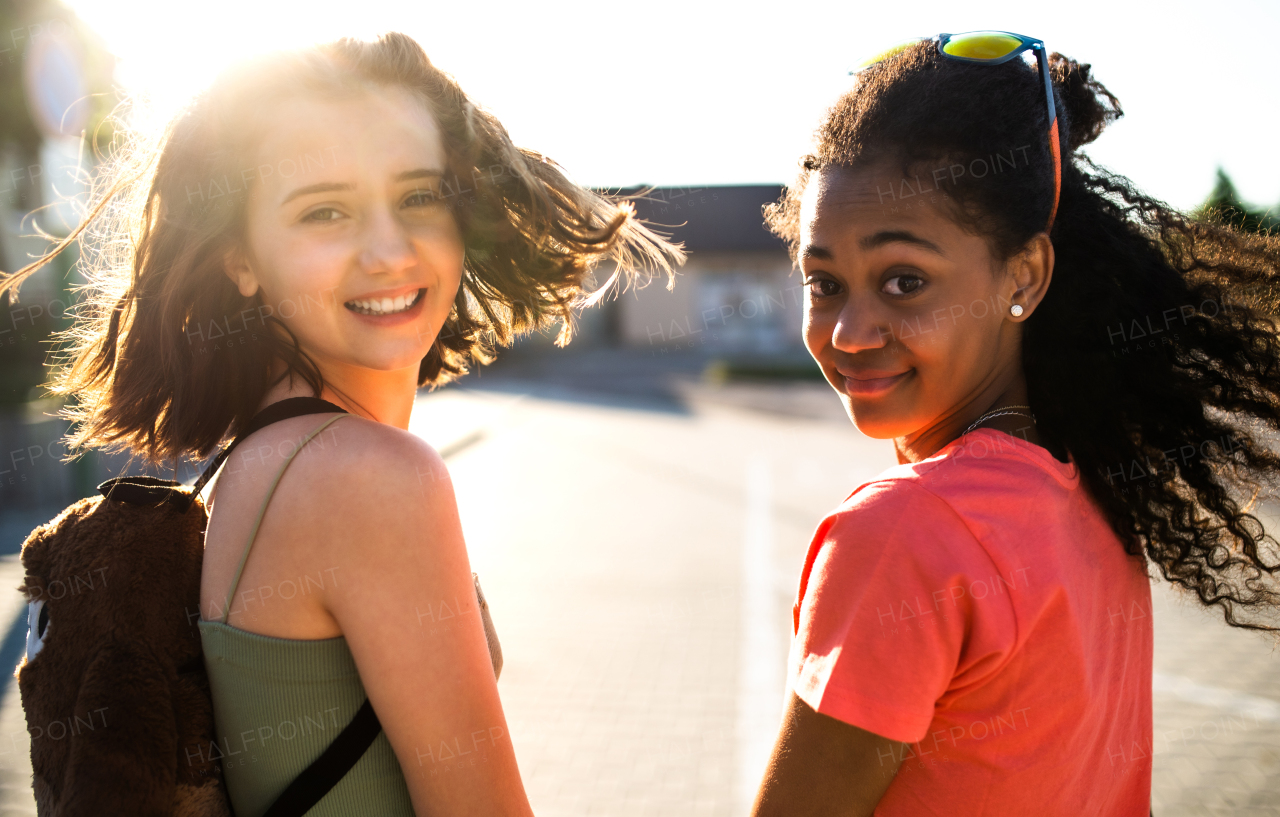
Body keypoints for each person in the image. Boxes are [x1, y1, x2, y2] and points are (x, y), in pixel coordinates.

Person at [0, 32, 680, 816]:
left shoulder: (256, 459)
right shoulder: (367, 476)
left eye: (420, 195)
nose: (389, 250)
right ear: (242, 259)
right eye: (325, 210)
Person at [750, 31, 1280, 817]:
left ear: (1024, 275)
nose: (850, 332)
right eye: (823, 282)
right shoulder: (1090, 485)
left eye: (904, 280)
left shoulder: (901, 532)